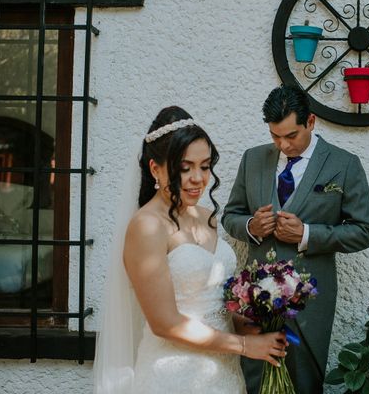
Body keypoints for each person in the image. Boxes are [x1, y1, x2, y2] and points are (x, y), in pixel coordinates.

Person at [93, 106, 287, 394]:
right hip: (173, 375)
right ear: (155, 169)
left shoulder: (205, 215)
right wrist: (245, 346)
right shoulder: (147, 226)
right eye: (185, 168)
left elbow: (202, 299)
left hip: (222, 372)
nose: (198, 178)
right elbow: (165, 323)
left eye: (205, 166)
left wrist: (239, 321)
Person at [222, 86, 369, 393]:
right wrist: (252, 225)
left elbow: (364, 231)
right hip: (254, 297)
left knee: (304, 380)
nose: (283, 144)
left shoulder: (344, 165)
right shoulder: (252, 159)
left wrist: (306, 234)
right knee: (255, 378)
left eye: (291, 135)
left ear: (311, 122)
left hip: (310, 302)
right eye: (274, 136)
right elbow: (230, 216)